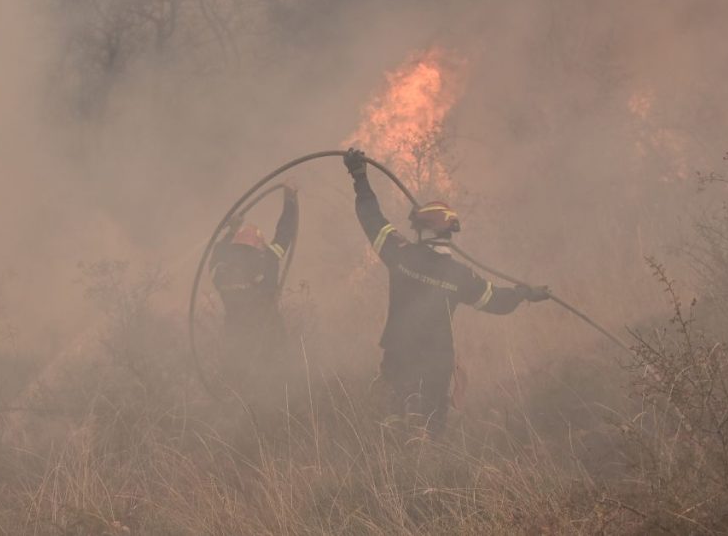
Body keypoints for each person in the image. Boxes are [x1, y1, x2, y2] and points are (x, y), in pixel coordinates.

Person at [343, 148, 549, 434]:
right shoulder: (461, 275)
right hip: (437, 361)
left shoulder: (400, 253)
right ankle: (431, 471)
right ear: (449, 234)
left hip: (399, 353)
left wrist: (359, 177)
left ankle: (393, 468)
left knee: (394, 423)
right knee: (431, 428)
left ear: (420, 229)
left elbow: (371, 217)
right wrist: (525, 293)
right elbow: (497, 302)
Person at [210, 187, 299, 379]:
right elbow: (284, 233)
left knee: (236, 380)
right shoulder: (266, 259)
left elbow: (216, 256)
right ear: (258, 245)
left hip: (235, 336)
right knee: (273, 382)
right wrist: (290, 201)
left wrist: (230, 231)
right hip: (268, 334)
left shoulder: (222, 270)